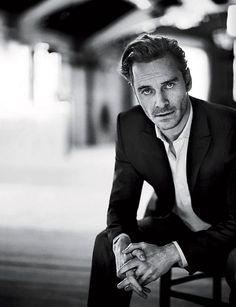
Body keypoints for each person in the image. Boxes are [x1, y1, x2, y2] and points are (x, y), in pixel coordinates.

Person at [87, 33, 236, 307]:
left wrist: (171, 253)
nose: (161, 102)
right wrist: (122, 245)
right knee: (107, 246)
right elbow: (121, 205)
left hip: (228, 237)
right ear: (135, 91)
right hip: (178, 224)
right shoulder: (129, 127)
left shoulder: (229, 127)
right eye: (147, 90)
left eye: (169, 85)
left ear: (187, 80)